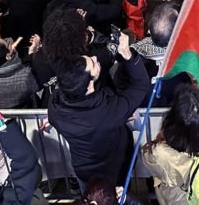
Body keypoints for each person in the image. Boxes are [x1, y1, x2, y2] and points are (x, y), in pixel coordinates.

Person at [47, 30, 151, 184]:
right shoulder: (108, 112)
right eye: (93, 63)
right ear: (89, 83)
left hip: (83, 170)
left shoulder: (55, 108)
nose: (95, 57)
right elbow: (141, 86)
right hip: (115, 170)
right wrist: (128, 55)